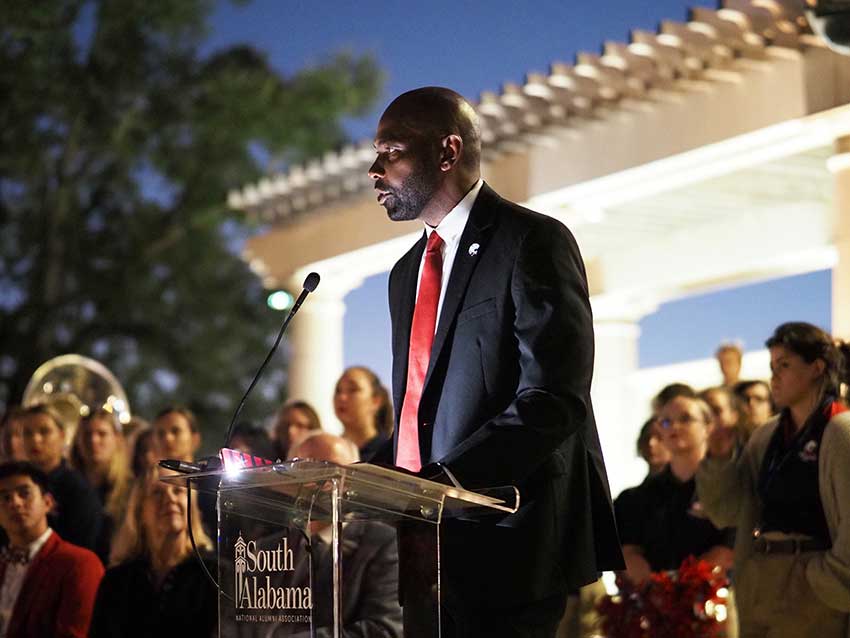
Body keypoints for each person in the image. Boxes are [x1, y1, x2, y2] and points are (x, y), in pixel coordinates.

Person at [368, 87, 623, 636]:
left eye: (390, 151)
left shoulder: (533, 240)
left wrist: (450, 482)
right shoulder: (404, 274)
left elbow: (555, 396)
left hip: (511, 545)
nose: (374, 169)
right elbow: (418, 409)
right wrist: (361, 474)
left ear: (447, 151)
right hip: (424, 550)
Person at [697, 322, 850, 636]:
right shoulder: (767, 435)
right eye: (771, 366)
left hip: (811, 582)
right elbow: (727, 511)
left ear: (817, 368)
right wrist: (719, 457)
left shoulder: (840, 430)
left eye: (784, 365)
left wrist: (825, 580)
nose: (774, 376)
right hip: (760, 577)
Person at [282, 432, 403, 637]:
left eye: (330, 467)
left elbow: (384, 629)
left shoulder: (382, 543)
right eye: (304, 467)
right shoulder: (267, 549)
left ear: (352, 479)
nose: (316, 480)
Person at [615, 394, 734, 584]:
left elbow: (729, 549)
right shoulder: (638, 497)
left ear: (708, 427)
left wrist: (684, 588)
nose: (674, 426)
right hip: (654, 602)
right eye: (666, 422)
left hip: (715, 598)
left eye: (685, 419)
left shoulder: (730, 487)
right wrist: (659, 591)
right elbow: (629, 552)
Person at [89, 467, 216, 638]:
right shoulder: (116, 582)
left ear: (191, 508)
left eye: (177, 491)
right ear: (140, 513)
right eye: (157, 492)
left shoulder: (215, 575)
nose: (170, 498)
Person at [0, 461, 104, 638]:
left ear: (47, 502)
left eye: (24, 493)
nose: (15, 503)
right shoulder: (3, 561)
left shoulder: (79, 563)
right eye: (4, 498)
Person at [18, 405, 102, 553]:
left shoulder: (78, 490)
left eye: (44, 431)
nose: (35, 439)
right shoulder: (14, 485)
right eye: (28, 433)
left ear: (62, 435)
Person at [69, 409, 131, 561]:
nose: (93, 440)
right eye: (87, 434)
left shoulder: (131, 489)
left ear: (117, 439)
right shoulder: (68, 486)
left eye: (102, 434)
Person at [333, 367, 393, 462]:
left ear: (376, 401)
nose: (342, 397)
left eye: (353, 390)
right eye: (338, 391)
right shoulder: (328, 451)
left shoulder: (391, 455)